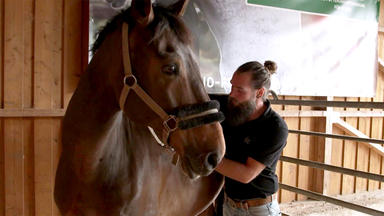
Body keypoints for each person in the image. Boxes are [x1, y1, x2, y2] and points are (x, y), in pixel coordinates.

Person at [213, 60, 288, 216]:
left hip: (259, 210)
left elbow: (246, 174)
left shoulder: (275, 127)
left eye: (240, 90)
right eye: (232, 86)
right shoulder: (231, 107)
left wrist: (203, 159)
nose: (232, 94)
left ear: (259, 93)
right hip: (228, 205)